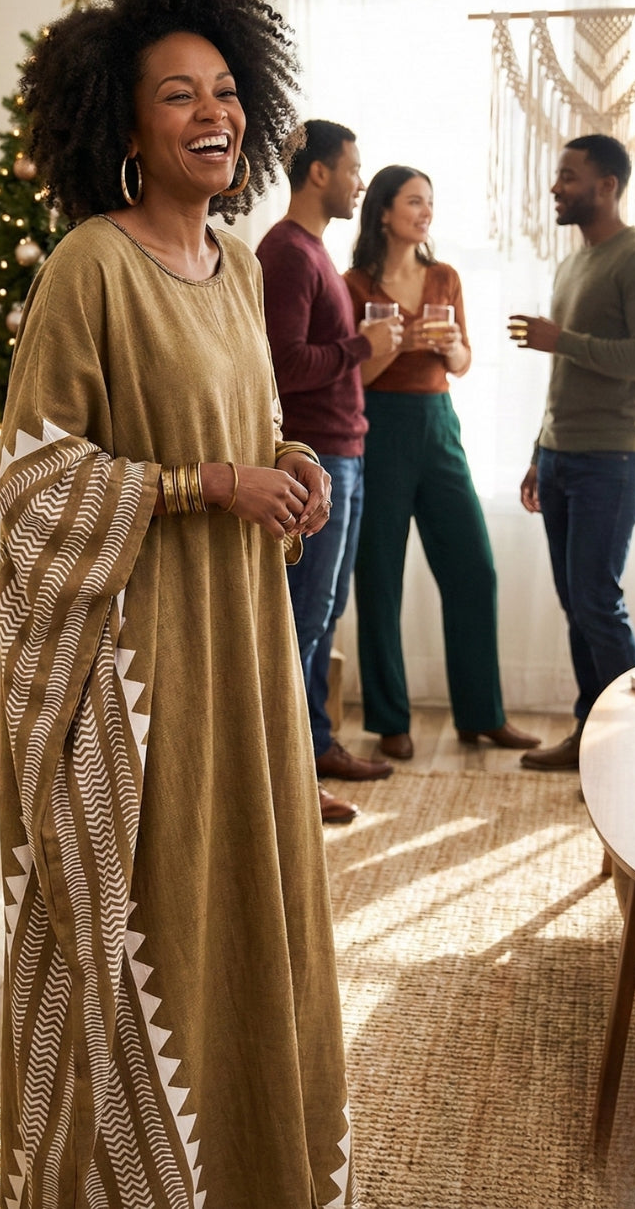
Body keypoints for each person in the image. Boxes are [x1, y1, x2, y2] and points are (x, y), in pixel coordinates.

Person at [0, 0, 357, 1209]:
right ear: (126, 129)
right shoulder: (86, 268)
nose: (213, 113)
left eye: (223, 88)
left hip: (244, 651)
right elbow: (36, 486)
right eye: (177, 94)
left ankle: (253, 1167)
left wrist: (289, 465)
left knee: (249, 900)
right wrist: (204, 484)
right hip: (138, 678)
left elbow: (248, 431)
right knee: (160, 915)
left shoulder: (243, 269)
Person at [344, 165, 540, 760]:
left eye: (430, 202)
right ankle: (389, 719)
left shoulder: (445, 277)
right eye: (413, 201)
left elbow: (462, 361)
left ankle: (483, 714)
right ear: (383, 212)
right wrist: (395, 345)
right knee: (379, 578)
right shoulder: (353, 285)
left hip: (439, 427)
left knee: (474, 570)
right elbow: (355, 376)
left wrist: (448, 345)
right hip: (377, 427)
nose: (425, 211)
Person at [509, 134, 635, 770]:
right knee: (577, 603)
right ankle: (591, 736)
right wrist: (538, 449)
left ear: (606, 185)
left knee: (597, 602)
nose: (556, 187)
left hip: (614, 457)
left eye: (568, 176)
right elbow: (565, 375)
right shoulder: (574, 263)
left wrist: (565, 339)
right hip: (561, 454)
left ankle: (634, 753)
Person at [258, 121, 402, 825]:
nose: (360, 180)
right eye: (353, 167)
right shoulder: (286, 254)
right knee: (303, 620)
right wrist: (359, 346)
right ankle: (290, 777)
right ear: (317, 173)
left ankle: (315, 746)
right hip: (315, 459)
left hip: (346, 452)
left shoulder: (313, 252)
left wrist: (361, 349)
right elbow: (282, 366)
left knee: (322, 614)